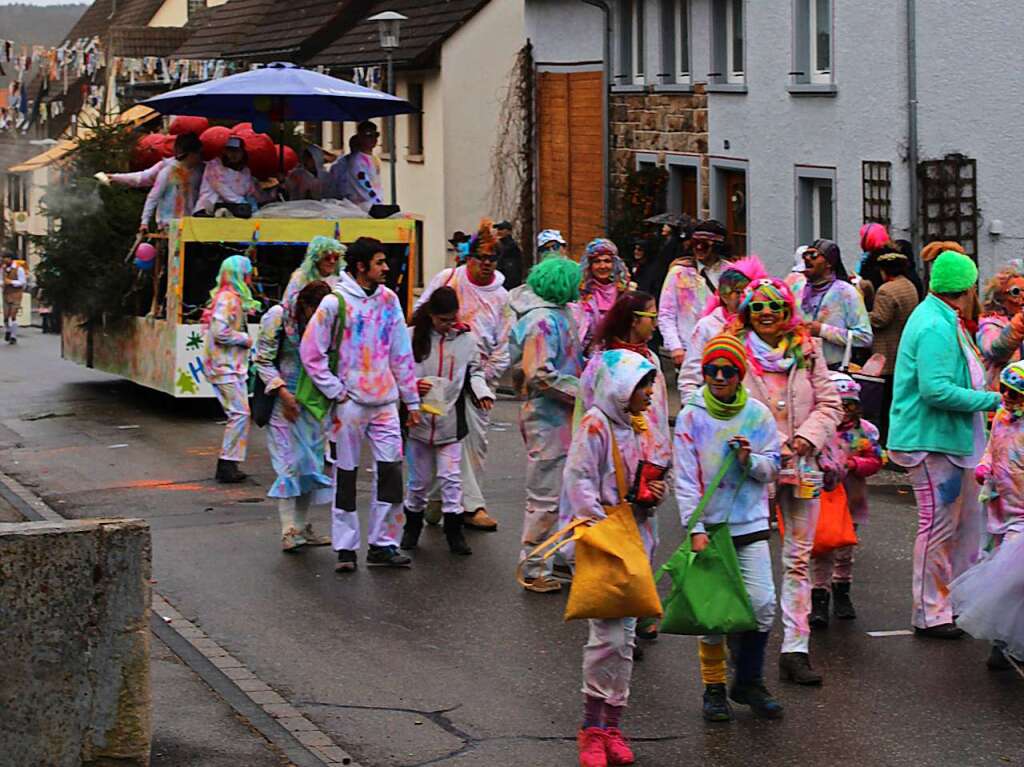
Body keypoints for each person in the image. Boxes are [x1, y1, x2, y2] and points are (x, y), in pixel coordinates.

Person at [727, 277, 843, 684]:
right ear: (747, 312)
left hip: (802, 468)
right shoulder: (734, 351)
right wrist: (774, 443)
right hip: (753, 472)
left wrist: (803, 439)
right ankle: (743, 644)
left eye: (776, 306)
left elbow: (830, 403)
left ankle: (796, 648)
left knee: (798, 558)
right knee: (747, 559)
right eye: (758, 307)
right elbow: (730, 404)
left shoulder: (807, 350)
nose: (768, 314)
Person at [888, 249, 1001, 639]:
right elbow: (935, 390)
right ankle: (930, 613)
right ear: (967, 288)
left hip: (947, 440)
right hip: (930, 441)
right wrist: (994, 401)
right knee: (936, 527)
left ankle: (949, 603)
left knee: (957, 526)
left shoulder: (941, 317)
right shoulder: (934, 324)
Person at [564, 349, 666, 767]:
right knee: (605, 640)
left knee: (625, 641)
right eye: (641, 385)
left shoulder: (641, 426)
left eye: (649, 384)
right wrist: (603, 522)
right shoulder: (595, 424)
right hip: (607, 544)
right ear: (620, 387)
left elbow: (657, 473)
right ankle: (590, 728)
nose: (649, 393)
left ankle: (613, 726)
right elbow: (578, 481)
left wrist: (653, 492)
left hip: (636, 541)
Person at [675, 334, 783, 721]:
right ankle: (714, 688)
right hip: (711, 529)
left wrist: (748, 461)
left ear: (741, 374)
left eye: (727, 371)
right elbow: (686, 480)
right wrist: (695, 528)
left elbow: (774, 466)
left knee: (762, 603)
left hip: (750, 522)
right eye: (711, 370)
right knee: (713, 612)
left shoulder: (758, 415)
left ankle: (749, 680)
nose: (718, 377)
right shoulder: (690, 415)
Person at [299, 237, 421, 572]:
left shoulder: (389, 300)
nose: (386, 268)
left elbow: (401, 353)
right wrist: (336, 390)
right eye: (379, 262)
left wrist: (411, 400)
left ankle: (383, 543)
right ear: (360, 267)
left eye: (385, 262)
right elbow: (311, 352)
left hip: (385, 402)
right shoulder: (334, 303)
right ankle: (346, 547)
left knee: (391, 473)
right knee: (347, 475)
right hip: (350, 405)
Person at [415, 219, 511, 531]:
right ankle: (449, 501)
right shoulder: (449, 280)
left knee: (473, 443)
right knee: (438, 439)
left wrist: (486, 375)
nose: (486, 264)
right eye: (480, 257)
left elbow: (506, 340)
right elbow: (420, 315)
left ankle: (459, 503)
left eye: (492, 258)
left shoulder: (501, 295)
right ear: (468, 257)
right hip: (441, 371)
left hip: (478, 374)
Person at [400, 286, 495, 556]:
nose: (448, 325)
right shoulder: (410, 338)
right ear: (431, 315)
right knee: (418, 481)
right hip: (418, 422)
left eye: (452, 319)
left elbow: (475, 372)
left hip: (450, 423)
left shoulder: (466, 341)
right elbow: (397, 370)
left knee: (451, 479)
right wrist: (410, 387)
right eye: (442, 320)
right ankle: (411, 528)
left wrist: (482, 393)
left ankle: (454, 531)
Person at [509, 257, 583, 594]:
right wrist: (582, 393)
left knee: (567, 492)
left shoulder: (560, 314)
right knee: (545, 494)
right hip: (547, 418)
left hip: (563, 418)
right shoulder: (541, 321)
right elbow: (539, 373)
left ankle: (559, 556)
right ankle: (534, 565)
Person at [953, 360, 1024, 668]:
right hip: (998, 508)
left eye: (1016, 393)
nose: (1007, 397)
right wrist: (985, 465)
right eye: (1005, 391)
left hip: (1022, 514)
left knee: (1012, 578)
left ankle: (1007, 639)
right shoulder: (1003, 419)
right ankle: (1000, 639)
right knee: (998, 573)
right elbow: (992, 448)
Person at [255, 280, 334, 551]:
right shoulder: (278, 317)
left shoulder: (328, 321)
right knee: (287, 464)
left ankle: (300, 528)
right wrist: (283, 394)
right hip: (282, 401)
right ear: (305, 305)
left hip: (313, 404)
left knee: (310, 465)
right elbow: (262, 360)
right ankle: (288, 530)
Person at [809, 373, 883, 626]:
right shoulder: (818, 429)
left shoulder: (866, 431)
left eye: (851, 406)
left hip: (851, 498)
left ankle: (842, 593)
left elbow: (876, 460)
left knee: (845, 549)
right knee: (822, 548)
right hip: (824, 499)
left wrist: (855, 463)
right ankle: (819, 596)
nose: (845, 412)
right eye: (841, 405)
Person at [678, 256, 768, 399]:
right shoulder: (707, 326)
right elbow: (689, 378)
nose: (743, 298)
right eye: (737, 292)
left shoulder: (760, 324)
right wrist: (695, 410)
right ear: (723, 295)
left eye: (747, 292)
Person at [202, 255, 259, 484]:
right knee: (240, 413)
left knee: (238, 413)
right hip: (224, 366)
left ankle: (229, 462)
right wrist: (245, 339)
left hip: (228, 365)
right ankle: (226, 464)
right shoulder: (228, 299)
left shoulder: (229, 297)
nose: (251, 278)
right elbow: (220, 332)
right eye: (248, 273)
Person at [659, 219, 729, 367]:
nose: (698, 247)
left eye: (704, 244)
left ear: (717, 245)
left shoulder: (731, 273)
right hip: (688, 353)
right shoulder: (678, 273)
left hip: (724, 349)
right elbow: (666, 313)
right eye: (695, 242)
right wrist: (675, 347)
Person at [869, 251, 921, 446]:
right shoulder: (909, 286)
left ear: (884, 271)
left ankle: (886, 439)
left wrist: (860, 313)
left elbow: (880, 319)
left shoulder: (885, 290)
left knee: (885, 401)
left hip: (887, 350)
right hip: (903, 346)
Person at [795, 239, 873, 369]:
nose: (807, 258)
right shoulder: (796, 289)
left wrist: (822, 330)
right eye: (805, 255)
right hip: (800, 370)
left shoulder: (846, 293)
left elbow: (864, 337)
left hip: (834, 371)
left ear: (829, 263)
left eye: (813, 255)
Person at [572, 238, 631, 357]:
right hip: (588, 355)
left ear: (614, 264)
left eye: (607, 261)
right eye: (597, 261)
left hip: (619, 354)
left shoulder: (624, 291)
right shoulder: (581, 292)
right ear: (590, 265)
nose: (602, 266)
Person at [139, 132, 204, 232]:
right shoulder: (168, 172)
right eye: (198, 153)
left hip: (190, 226)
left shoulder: (199, 172)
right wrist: (144, 222)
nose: (200, 157)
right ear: (190, 154)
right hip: (168, 226)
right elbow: (153, 197)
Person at [977, 260, 1024, 392]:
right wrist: (1019, 324)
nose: (1022, 296)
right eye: (1016, 292)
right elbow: (995, 351)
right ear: (1000, 297)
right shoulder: (989, 323)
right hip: (1001, 399)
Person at [194, 136, 261, 218]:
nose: (233, 154)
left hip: (235, 213)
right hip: (208, 210)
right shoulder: (213, 165)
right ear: (225, 151)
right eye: (230, 150)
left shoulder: (245, 171)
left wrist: (252, 204)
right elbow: (220, 187)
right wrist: (240, 201)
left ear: (243, 153)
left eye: (237, 151)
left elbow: (250, 191)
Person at [329, 122, 383, 209]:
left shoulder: (374, 159)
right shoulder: (357, 161)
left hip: (373, 205)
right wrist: (377, 202)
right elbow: (364, 186)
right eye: (368, 135)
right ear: (360, 137)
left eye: (376, 135)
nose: (373, 138)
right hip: (363, 208)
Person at [2, 251, 27, 345]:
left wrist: (11, 282)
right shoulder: (3, 269)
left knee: (13, 315)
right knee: (5, 317)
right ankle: (8, 330)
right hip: (6, 294)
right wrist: (2, 283)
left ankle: (13, 336)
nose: (4, 260)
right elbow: (1, 279)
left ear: (10, 259)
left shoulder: (19, 269)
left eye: (5, 258)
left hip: (16, 294)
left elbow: (22, 282)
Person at [495, 220, 524, 289]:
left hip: (509, 283)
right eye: (498, 229)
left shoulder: (511, 245)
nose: (499, 231)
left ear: (509, 231)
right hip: (500, 281)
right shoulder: (499, 244)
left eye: (501, 229)